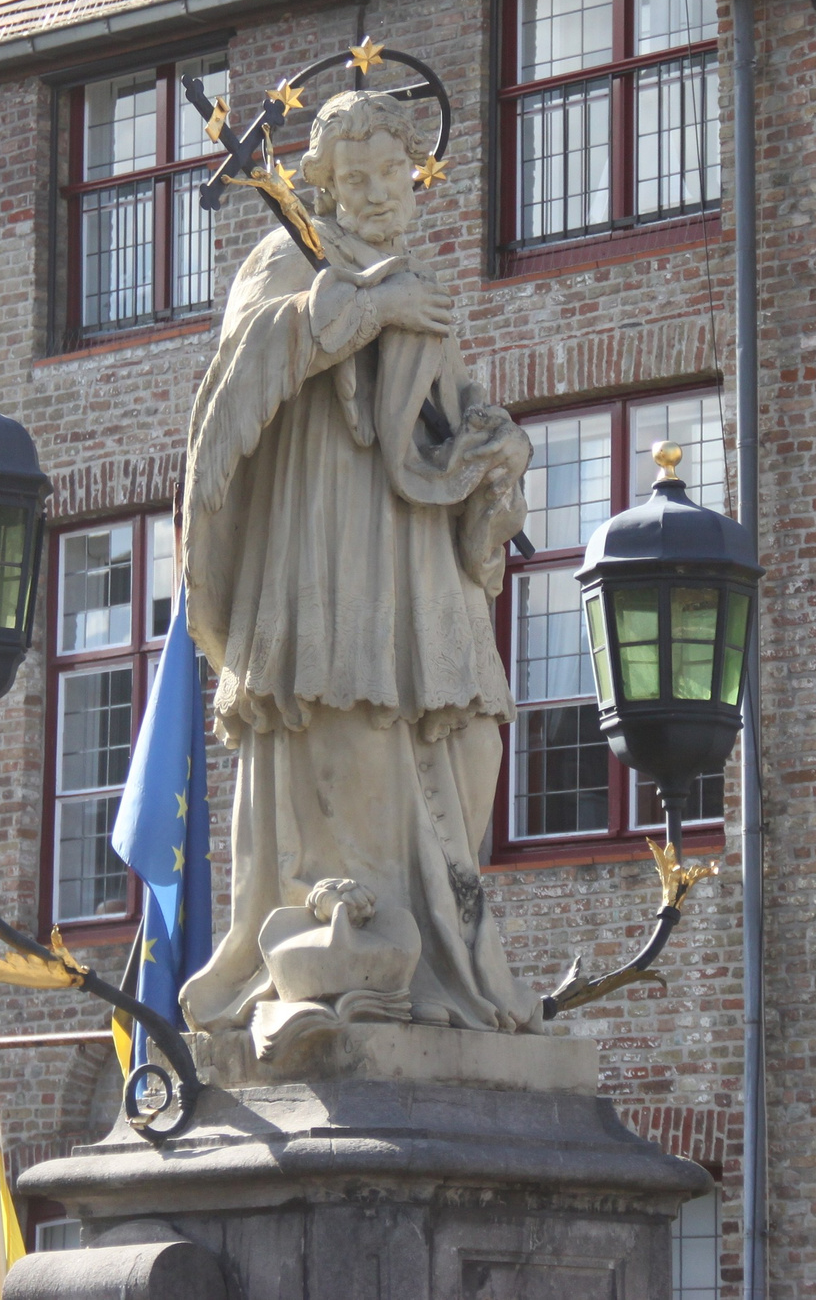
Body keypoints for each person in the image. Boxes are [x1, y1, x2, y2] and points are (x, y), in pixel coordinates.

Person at [177, 88, 538, 1054]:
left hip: (416, 556)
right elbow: (240, 376)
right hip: (326, 542)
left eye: (394, 174)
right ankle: (349, 945)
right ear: (322, 184)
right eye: (358, 176)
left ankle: (443, 956)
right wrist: (370, 306)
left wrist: (493, 452)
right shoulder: (287, 256)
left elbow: (442, 424)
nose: (379, 192)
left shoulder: (419, 283)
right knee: (343, 711)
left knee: (469, 730)